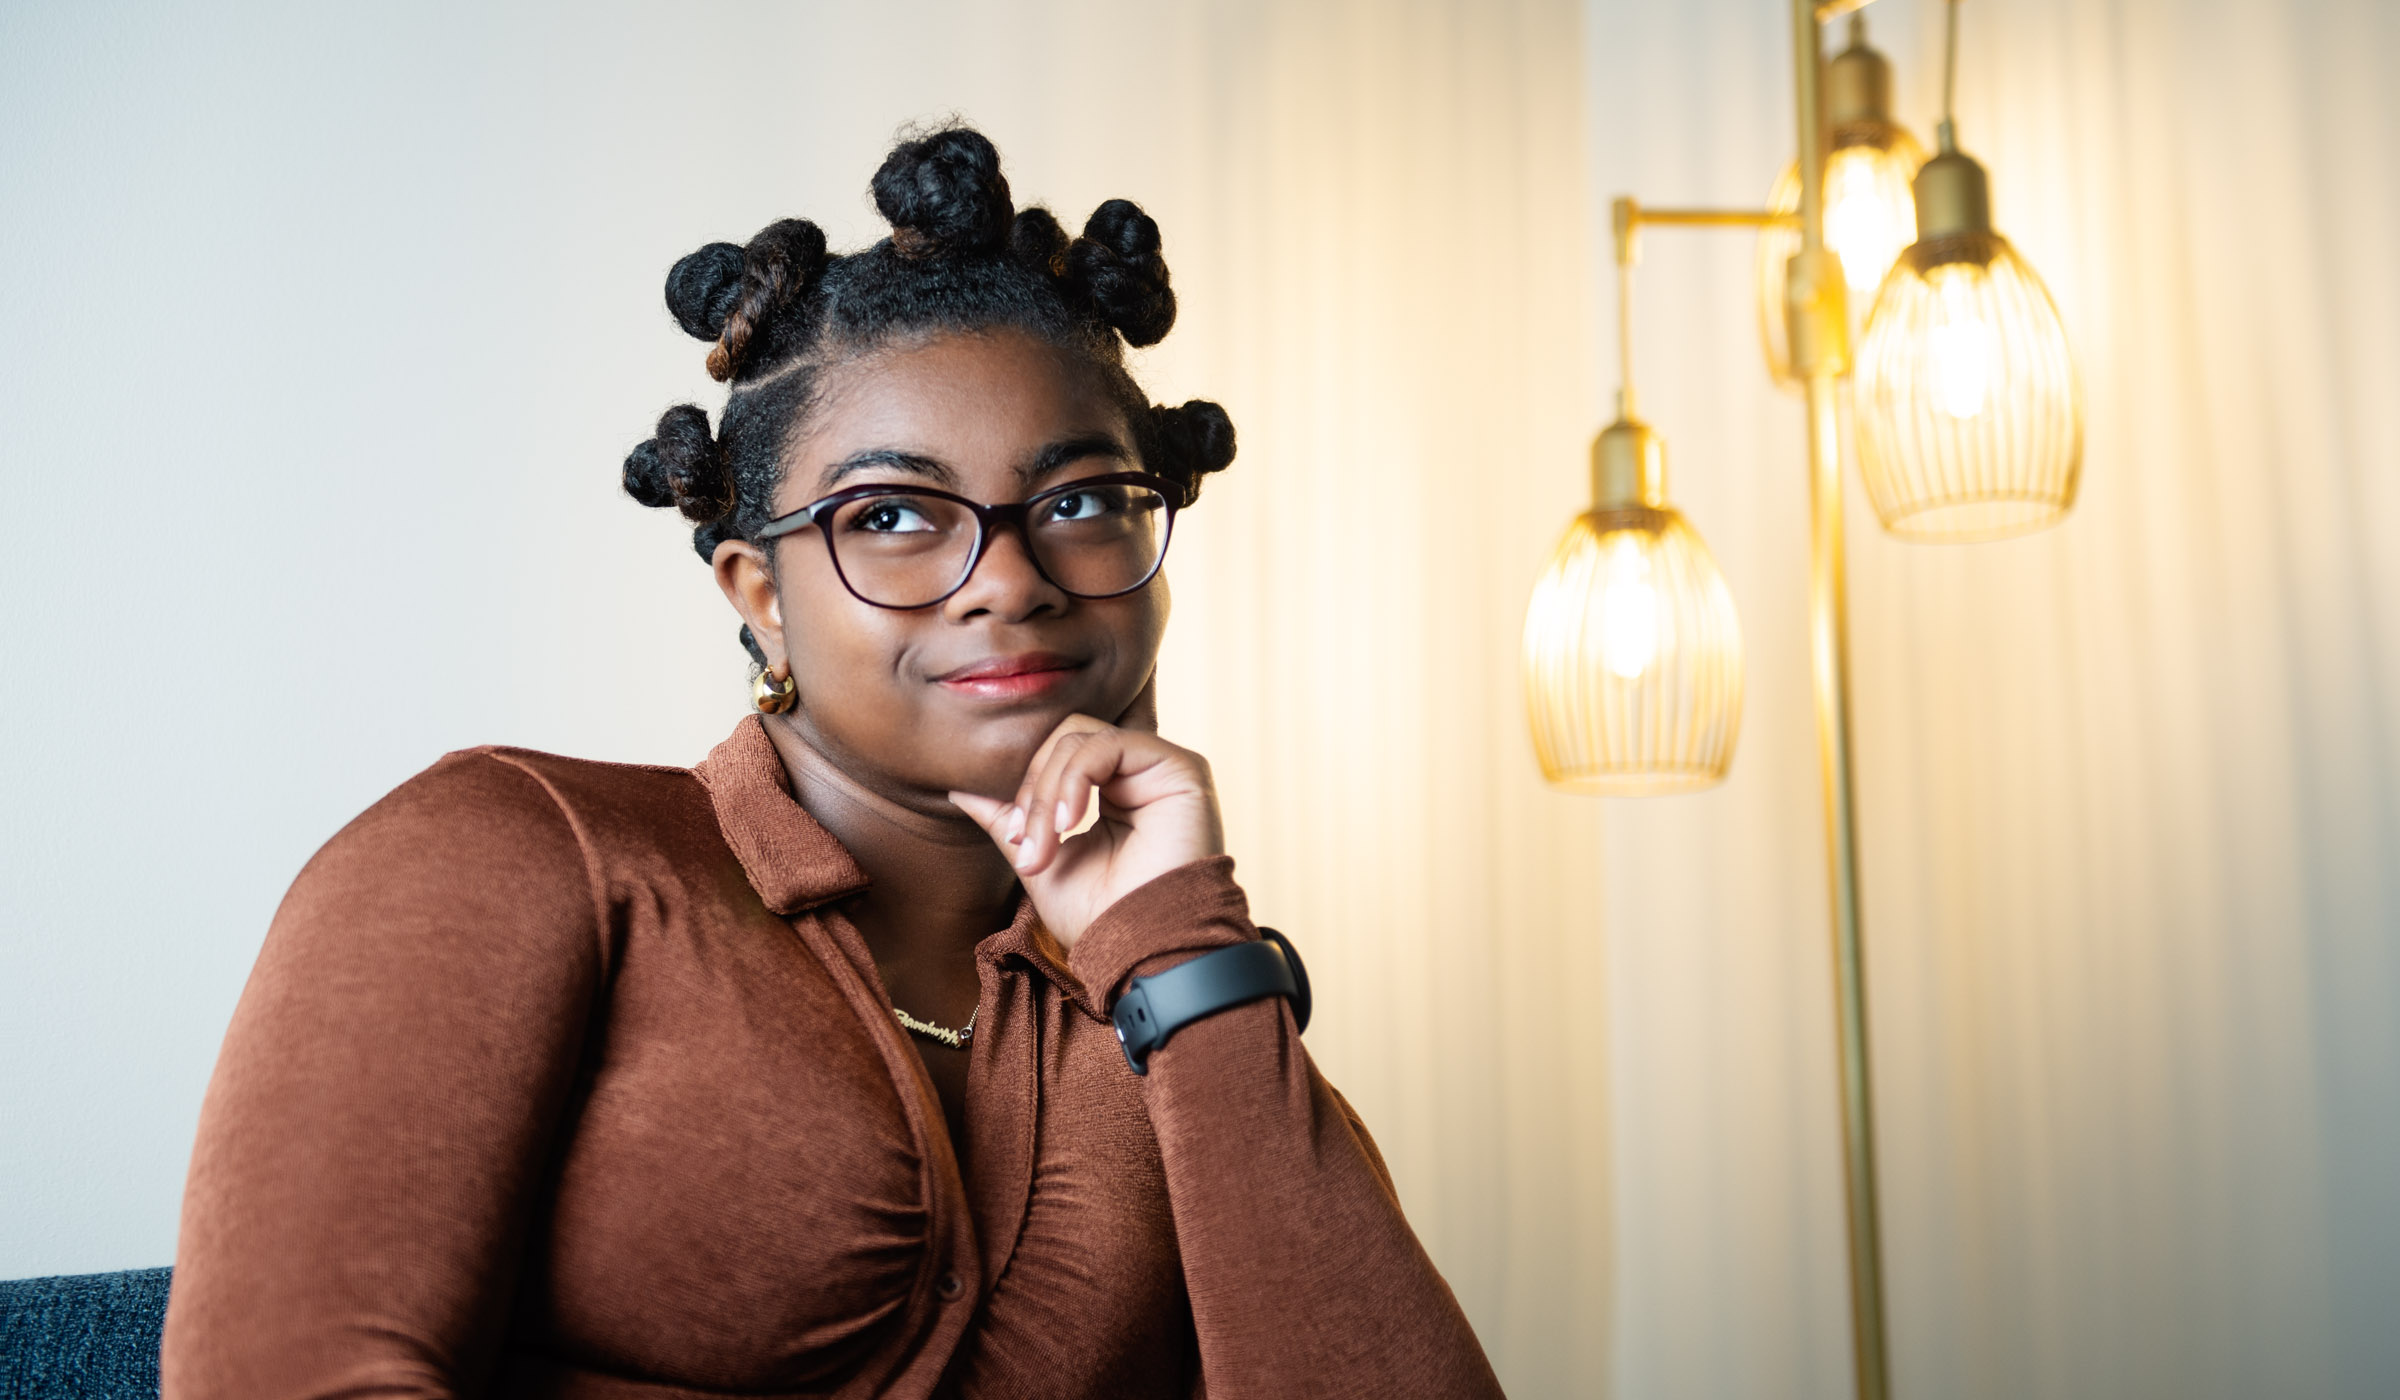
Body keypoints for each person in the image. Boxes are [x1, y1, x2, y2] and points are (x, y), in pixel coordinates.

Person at [160, 124, 1502, 1400]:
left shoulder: (1165, 992)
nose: (1012, 581)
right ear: (758, 592)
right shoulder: (519, 853)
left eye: (1082, 501)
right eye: (896, 515)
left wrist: (1177, 944)